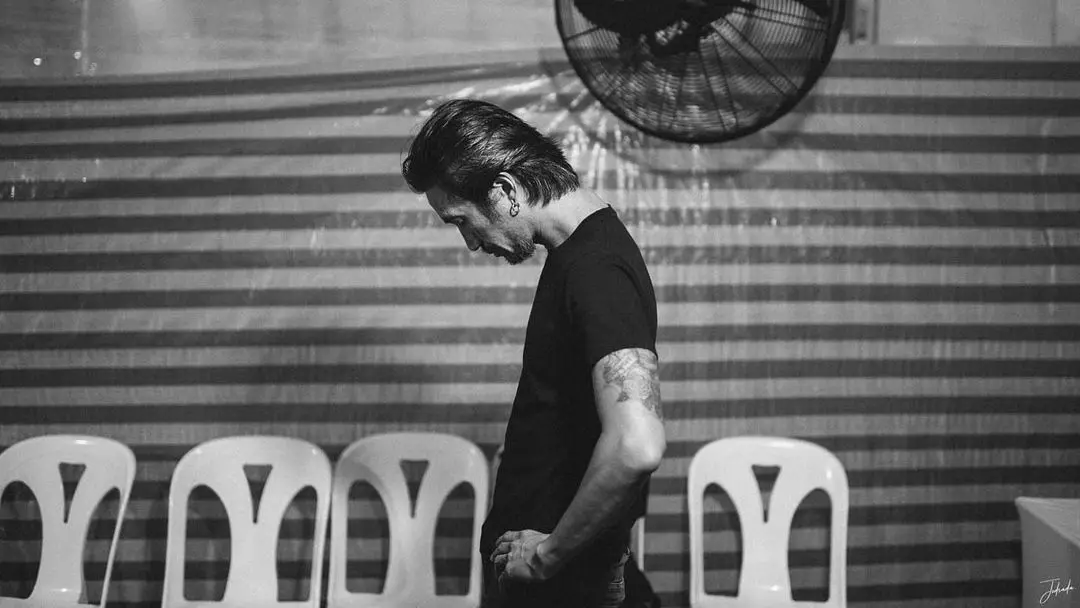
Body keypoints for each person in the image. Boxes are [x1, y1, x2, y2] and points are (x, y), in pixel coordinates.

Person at [402, 99, 666, 607]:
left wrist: (547, 556)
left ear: (504, 191)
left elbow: (638, 445)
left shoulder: (597, 271)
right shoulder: (578, 254)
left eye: (461, 220)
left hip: (562, 584)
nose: (471, 243)